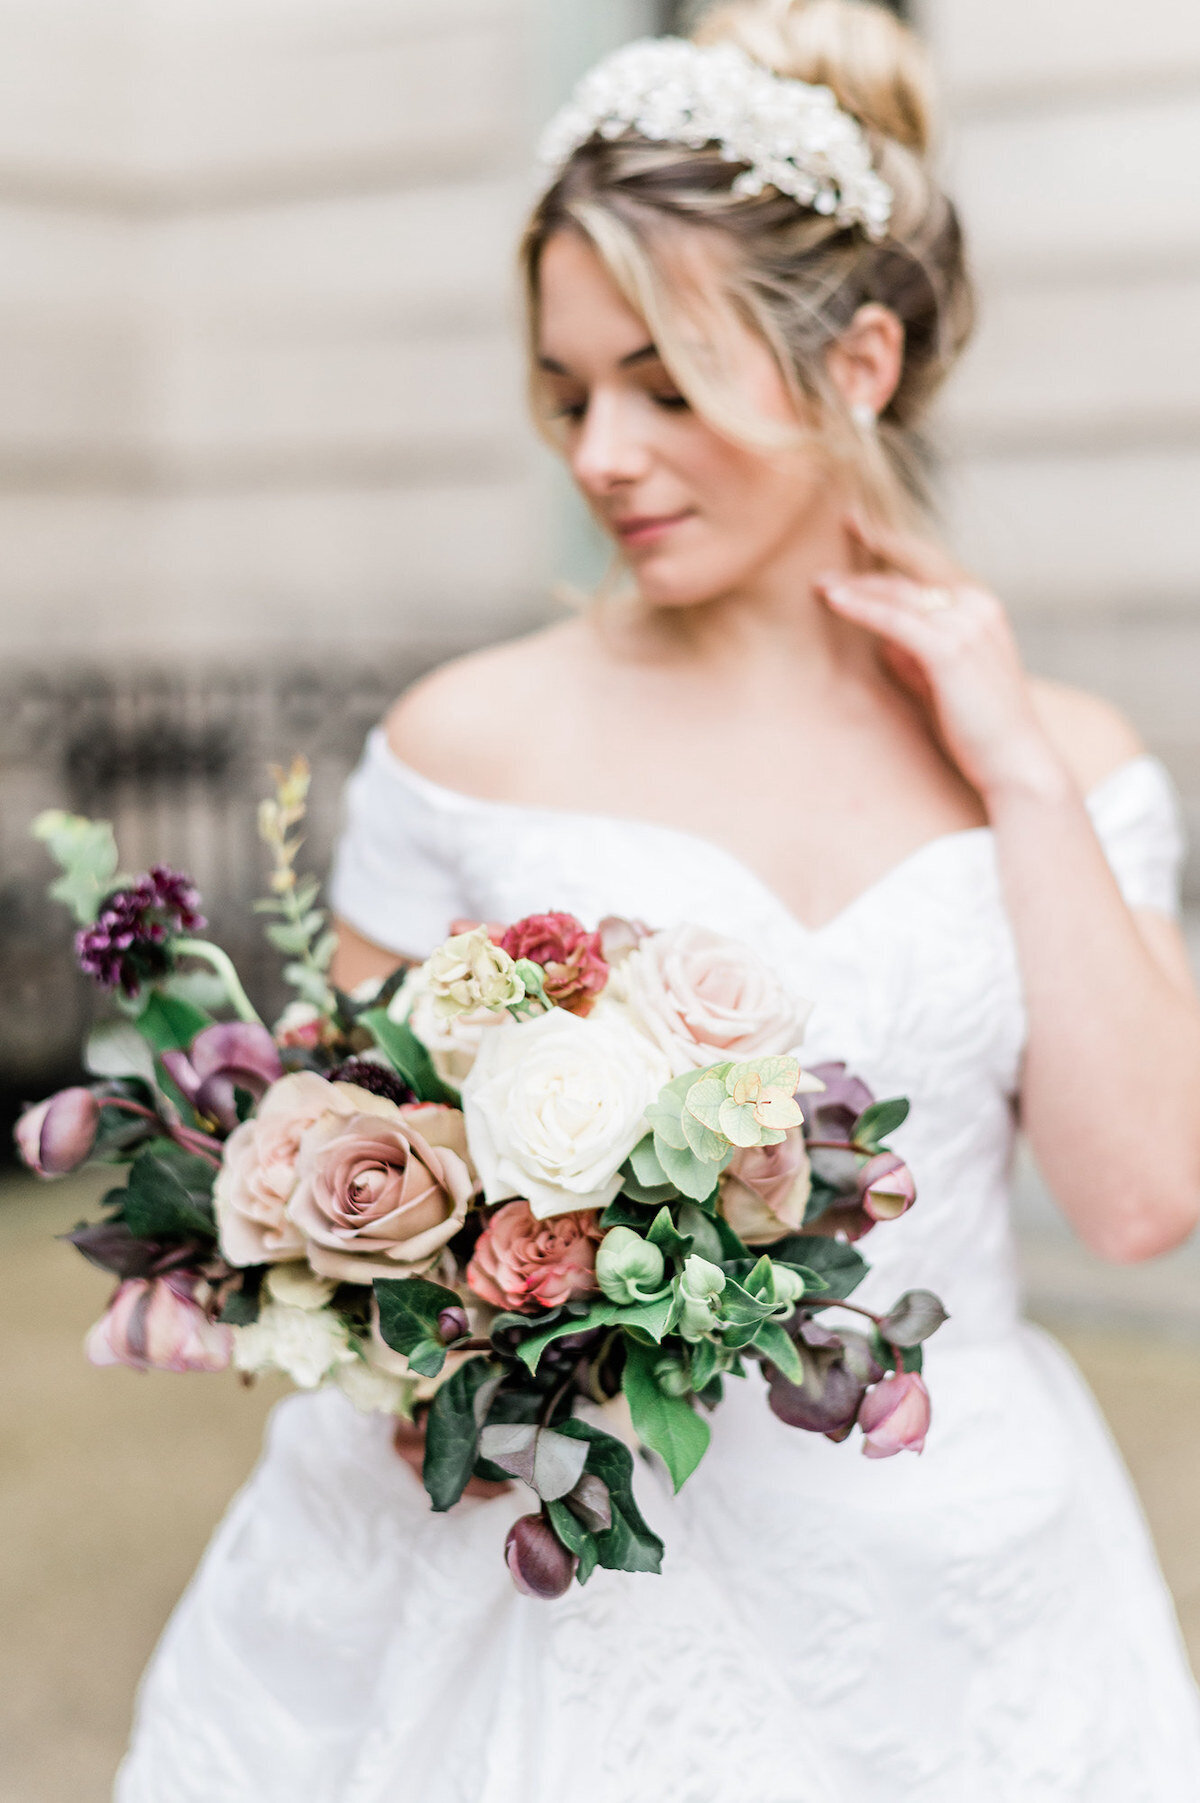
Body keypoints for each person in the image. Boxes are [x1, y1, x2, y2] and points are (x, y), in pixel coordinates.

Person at [116, 3, 1200, 1798]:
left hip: (953, 1589)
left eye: (665, 386)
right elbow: (332, 1199)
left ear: (859, 364)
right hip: (544, 1575)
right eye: (568, 391)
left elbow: (1145, 1194)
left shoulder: (1065, 760)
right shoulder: (471, 737)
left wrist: (1015, 772)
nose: (601, 453)